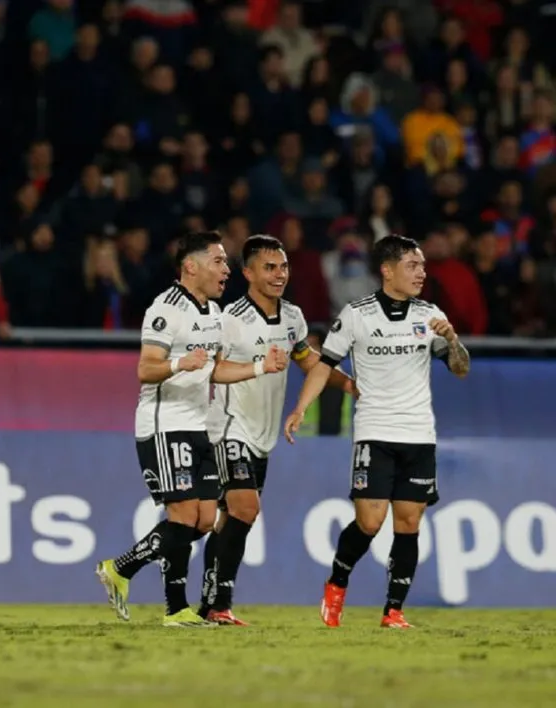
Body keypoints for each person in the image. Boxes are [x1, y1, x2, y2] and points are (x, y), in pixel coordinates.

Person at [95, 231, 287, 627]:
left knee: (203, 520)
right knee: (183, 515)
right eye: (218, 261)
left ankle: (125, 572)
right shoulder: (165, 309)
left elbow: (215, 368)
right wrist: (178, 364)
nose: (226, 269)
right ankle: (171, 606)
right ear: (190, 266)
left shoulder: (215, 315)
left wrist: (258, 368)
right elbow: (145, 369)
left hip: (201, 426)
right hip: (165, 424)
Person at [284, 234, 471, 629]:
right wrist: (301, 407)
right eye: (412, 265)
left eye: (422, 266)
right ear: (387, 271)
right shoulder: (357, 314)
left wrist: (452, 339)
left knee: (408, 523)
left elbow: (460, 369)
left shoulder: (430, 314)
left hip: (419, 433)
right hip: (375, 431)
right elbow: (324, 364)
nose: (421, 272)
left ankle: (394, 611)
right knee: (369, 522)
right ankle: (336, 585)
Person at [200, 235, 357, 625]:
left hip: (263, 434)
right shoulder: (229, 319)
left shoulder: (292, 318)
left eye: (283, 267)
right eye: (269, 267)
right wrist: (254, 368)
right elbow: (212, 369)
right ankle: (222, 605)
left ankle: (208, 603)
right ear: (248, 272)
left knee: (228, 519)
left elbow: (308, 360)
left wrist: (349, 384)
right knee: (246, 509)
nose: (279, 274)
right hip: (229, 427)